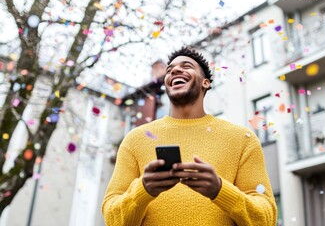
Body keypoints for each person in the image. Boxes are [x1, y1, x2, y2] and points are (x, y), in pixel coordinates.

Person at [102, 46, 277, 226]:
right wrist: (142, 190)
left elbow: (266, 218)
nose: (176, 70)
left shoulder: (242, 139)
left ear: (206, 83)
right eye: (170, 70)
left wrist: (220, 190)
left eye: (186, 66)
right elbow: (112, 218)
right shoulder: (135, 140)